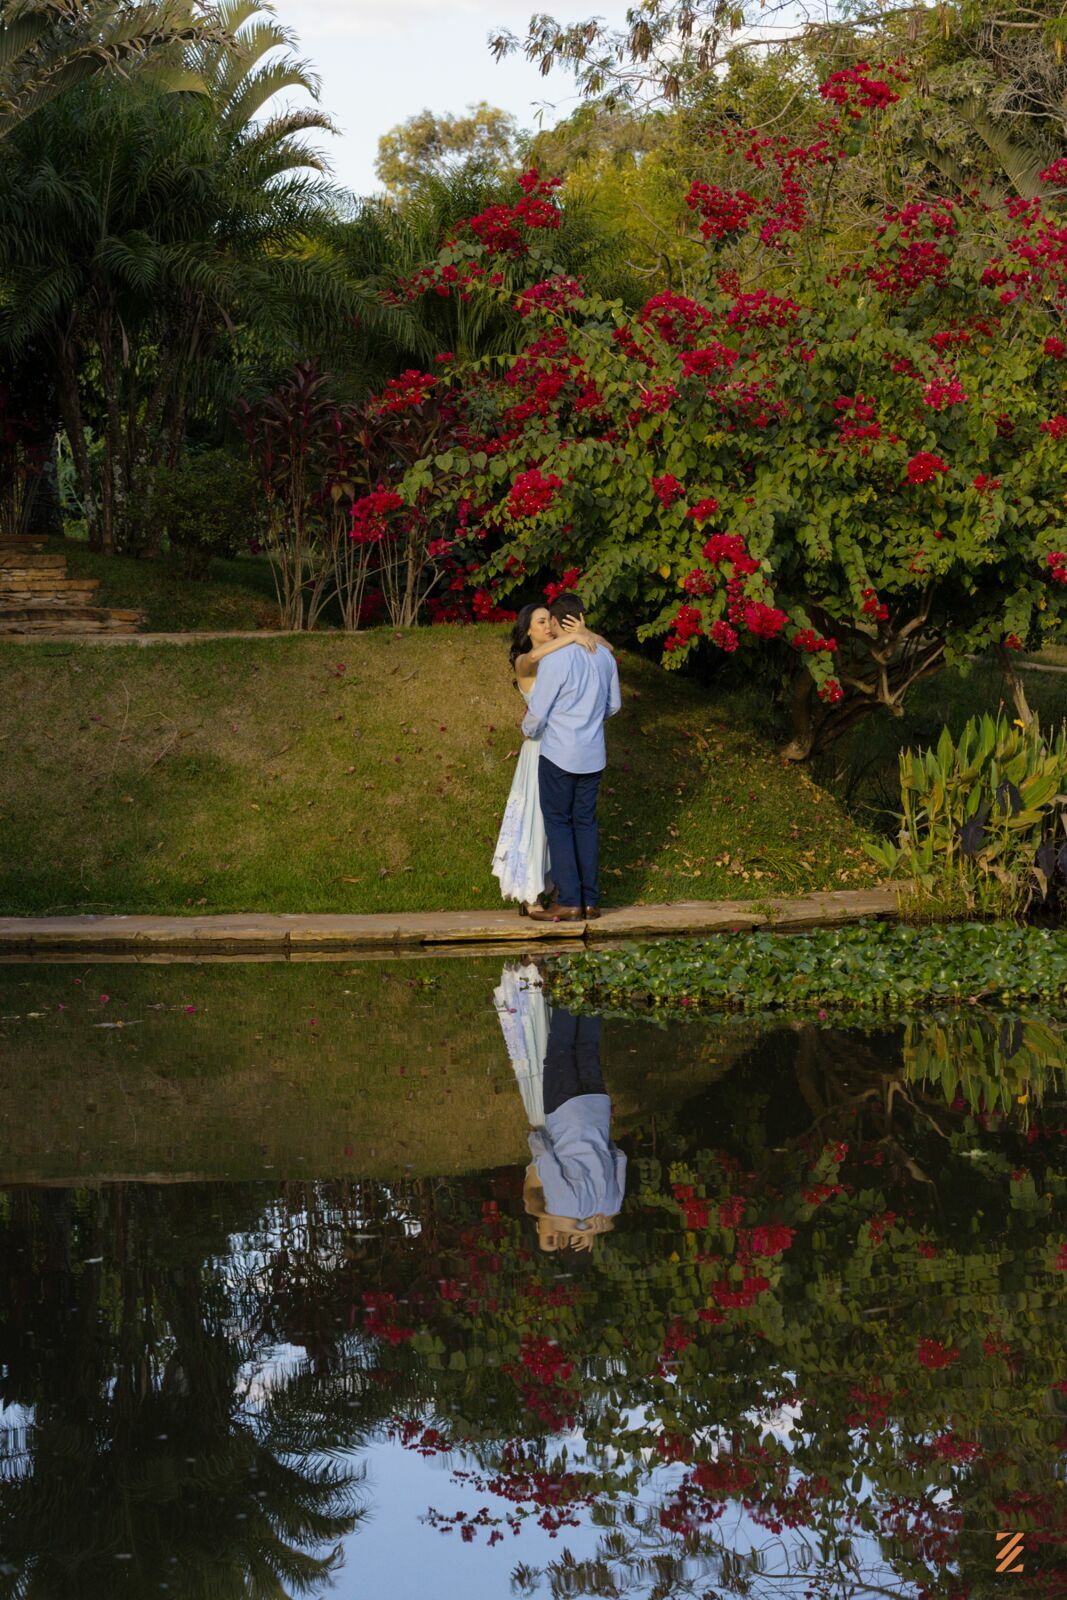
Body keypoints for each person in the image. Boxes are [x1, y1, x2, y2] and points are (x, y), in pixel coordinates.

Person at [491, 602, 613, 916]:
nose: (547, 626)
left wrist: (582, 634)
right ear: (527, 629)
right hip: (539, 748)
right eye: (540, 622)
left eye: (550, 620)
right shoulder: (526, 660)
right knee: (537, 821)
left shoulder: (564, 656)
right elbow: (533, 658)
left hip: (557, 747)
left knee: (557, 824)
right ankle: (532, 891)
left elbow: (607, 647)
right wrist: (574, 637)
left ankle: (562, 890)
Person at [520, 592, 621, 922]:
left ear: (554, 622)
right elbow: (613, 706)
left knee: (559, 824)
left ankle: (569, 900)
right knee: (586, 823)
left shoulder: (556, 660)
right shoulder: (604, 658)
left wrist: (528, 732)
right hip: (594, 753)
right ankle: (591, 900)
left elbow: (538, 712)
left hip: (560, 753)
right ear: (579, 619)